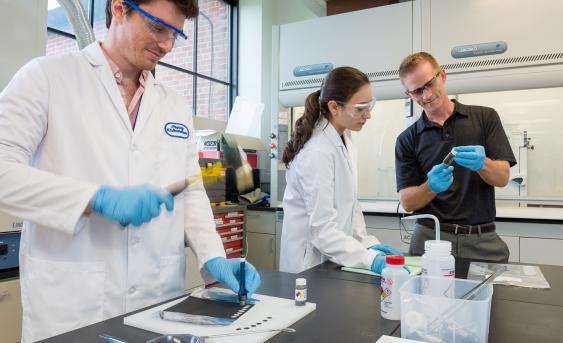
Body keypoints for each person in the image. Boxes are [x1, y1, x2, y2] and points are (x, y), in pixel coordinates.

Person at [0, 1, 260, 341]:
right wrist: (95, 199)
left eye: (175, 34)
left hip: (158, 298)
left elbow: (191, 190)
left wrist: (213, 256)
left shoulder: (174, 105)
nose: (167, 45)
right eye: (157, 28)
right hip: (74, 305)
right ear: (120, 9)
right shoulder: (47, 77)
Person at [280, 66, 406, 274]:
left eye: (369, 106)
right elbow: (322, 229)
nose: (368, 115)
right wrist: (368, 259)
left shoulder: (344, 138)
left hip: (335, 257)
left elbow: (351, 205)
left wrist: (366, 243)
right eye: (360, 108)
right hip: (309, 263)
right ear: (334, 107)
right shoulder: (317, 151)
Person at [395, 52, 516, 262]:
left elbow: (502, 177)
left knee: (491, 295)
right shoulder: (407, 139)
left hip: (482, 240)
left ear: (442, 75)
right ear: (409, 94)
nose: (426, 95)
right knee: (425, 295)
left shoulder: (485, 118)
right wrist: (430, 187)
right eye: (416, 91)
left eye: (429, 84)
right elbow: (407, 203)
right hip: (430, 239)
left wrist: (483, 164)